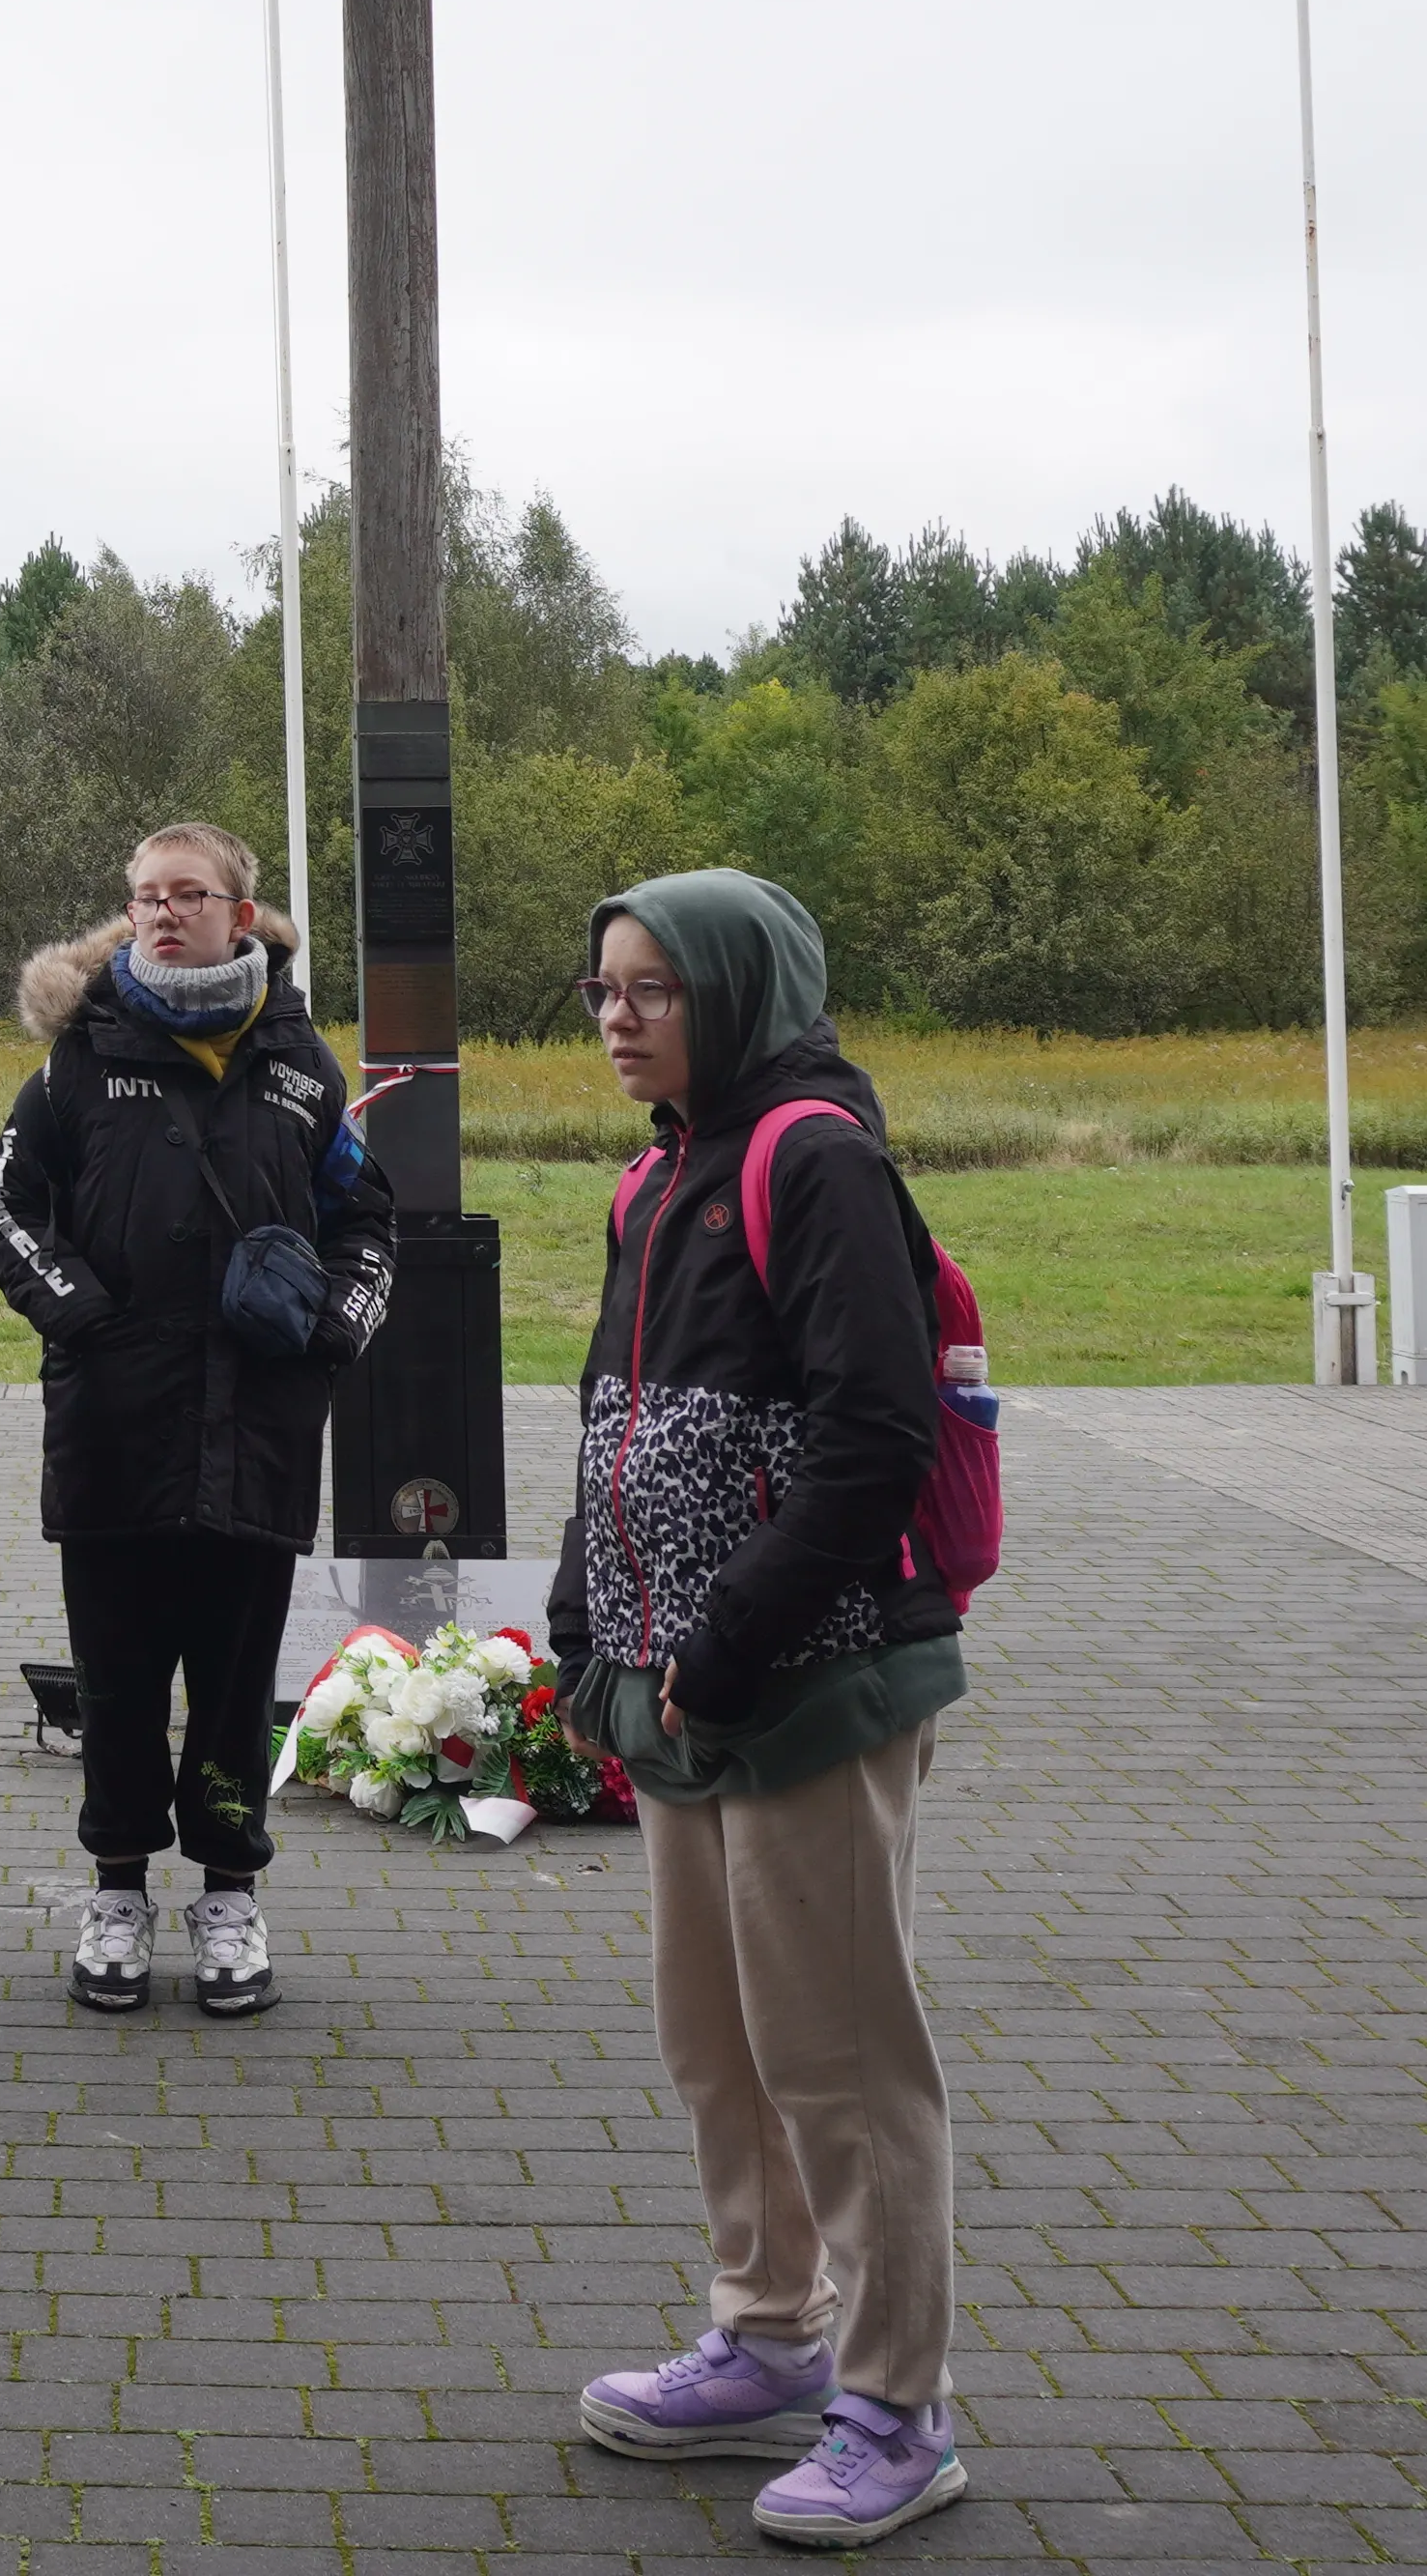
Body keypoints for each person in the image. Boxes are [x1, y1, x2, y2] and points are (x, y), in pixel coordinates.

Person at [546, 868, 973, 2551]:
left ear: (737, 993)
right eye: (602, 991)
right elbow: (614, 1415)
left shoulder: (816, 1161)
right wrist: (587, 1623)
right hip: (681, 1687)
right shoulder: (657, 1177)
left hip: (807, 1683)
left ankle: (897, 2406)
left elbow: (877, 1436)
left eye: (652, 989)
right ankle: (769, 2333)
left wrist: (728, 1643)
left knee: (840, 2059)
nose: (618, 1018)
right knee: (716, 2039)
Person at [0, 819, 393, 2022]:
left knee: (234, 1684)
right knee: (116, 1684)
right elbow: (2, 1208)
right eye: (147, 896)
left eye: (188, 894)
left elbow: (369, 1223)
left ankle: (229, 1893)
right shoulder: (77, 1060)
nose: (162, 913)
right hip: (114, 1430)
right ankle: (115, 1892)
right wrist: (81, 1317)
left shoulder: (304, 1067)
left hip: (258, 1430)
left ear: (240, 915)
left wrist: (334, 1331)